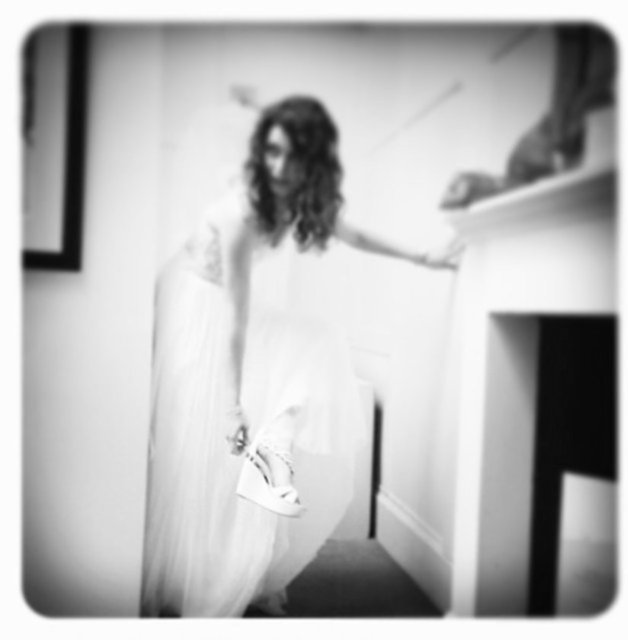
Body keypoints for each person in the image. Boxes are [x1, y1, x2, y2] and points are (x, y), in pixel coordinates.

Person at [140, 95, 461, 618]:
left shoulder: (301, 199)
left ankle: (247, 562)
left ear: (312, 159)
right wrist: (233, 406)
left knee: (317, 344)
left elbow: (354, 233)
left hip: (231, 309)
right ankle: (198, 576)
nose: (279, 167)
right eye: (271, 152)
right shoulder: (242, 210)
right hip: (199, 311)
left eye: (292, 155)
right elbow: (235, 315)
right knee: (207, 445)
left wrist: (422, 256)